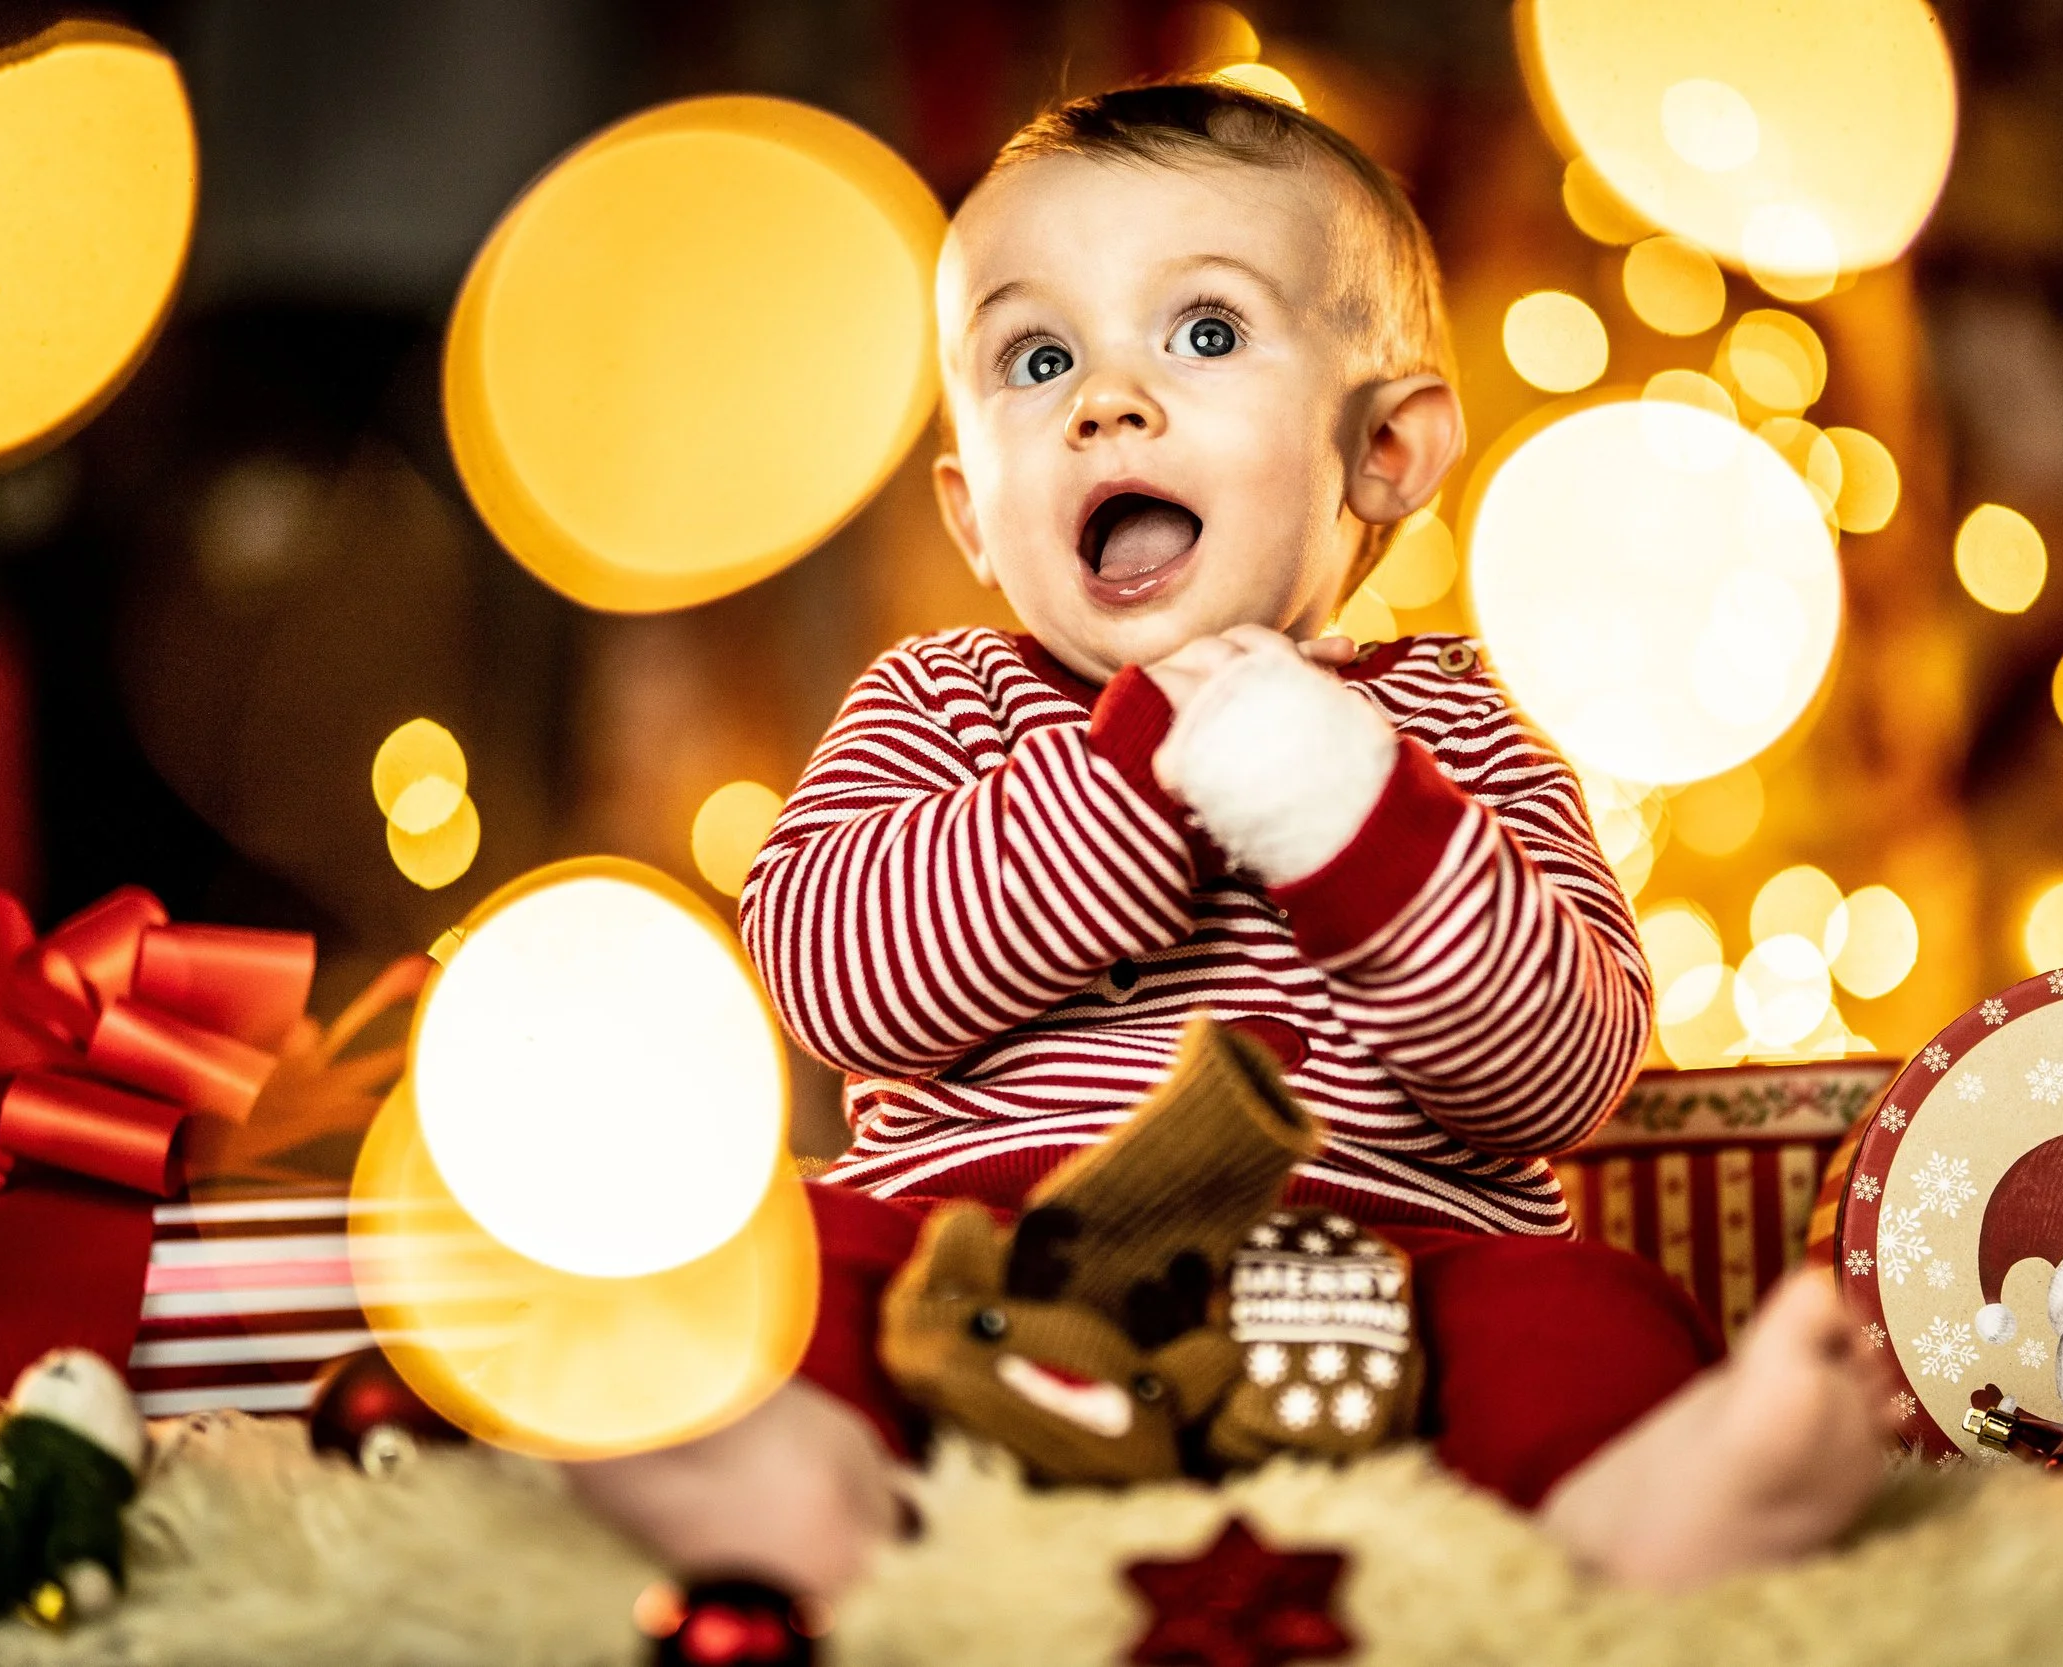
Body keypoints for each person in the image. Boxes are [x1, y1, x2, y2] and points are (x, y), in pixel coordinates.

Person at [565, 80, 1891, 1602]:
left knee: (1583, 1304)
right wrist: (1122, 794)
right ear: (975, 516)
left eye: (1204, 334)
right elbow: (826, 974)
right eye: (1038, 357)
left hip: (1391, 1254)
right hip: (985, 1249)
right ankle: (798, 1474)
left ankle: (1644, 1491)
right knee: (788, 1256)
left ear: (1386, 451)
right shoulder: (939, 699)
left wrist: (1353, 821)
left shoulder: (1456, 725)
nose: (1108, 402)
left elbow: (1564, 1067)